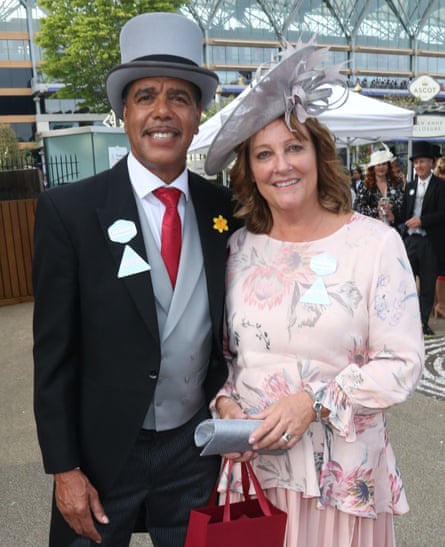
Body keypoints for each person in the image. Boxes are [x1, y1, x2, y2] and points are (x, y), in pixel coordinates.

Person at [203, 41, 424, 547]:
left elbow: (403, 364)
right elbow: (222, 356)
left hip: (341, 481)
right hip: (256, 477)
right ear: (250, 171)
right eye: (264, 153)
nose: (281, 165)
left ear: (318, 155)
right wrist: (226, 406)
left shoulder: (374, 245)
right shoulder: (236, 249)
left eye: (294, 147)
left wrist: (314, 403)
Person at [32, 12, 241, 547]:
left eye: (180, 97)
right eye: (145, 95)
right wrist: (63, 467)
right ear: (124, 113)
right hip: (100, 458)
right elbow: (52, 354)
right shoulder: (70, 211)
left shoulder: (225, 210)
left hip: (195, 450)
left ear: (197, 115)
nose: (162, 111)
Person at [400, 141, 445, 336]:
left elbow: (443, 213)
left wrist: (422, 220)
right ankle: (406, 321)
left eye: (422, 162)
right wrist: (393, 216)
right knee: (406, 283)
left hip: (430, 243)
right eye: (416, 162)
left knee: (427, 285)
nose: (418, 166)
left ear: (432, 163)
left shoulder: (440, 186)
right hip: (411, 241)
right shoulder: (409, 186)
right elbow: (403, 212)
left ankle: (423, 322)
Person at [353, 146, 404, 227]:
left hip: (395, 228)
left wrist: (392, 207)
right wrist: (376, 210)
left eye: (384, 164)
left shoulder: (397, 182)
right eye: (378, 165)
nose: (381, 167)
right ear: (373, 168)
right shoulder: (365, 184)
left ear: (388, 166)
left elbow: (404, 205)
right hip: (373, 229)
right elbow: (357, 208)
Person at [432, 156, 445, 318]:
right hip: (439, 231)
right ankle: (440, 305)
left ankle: (438, 304)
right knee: (441, 270)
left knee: (438, 270)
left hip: (437, 230)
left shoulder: (435, 184)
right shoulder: (440, 185)